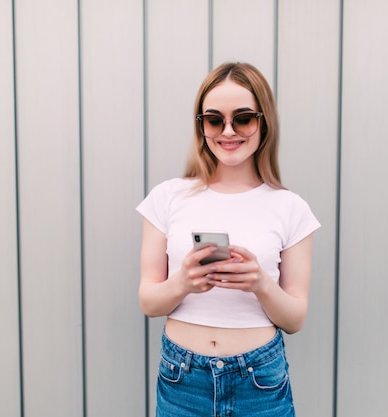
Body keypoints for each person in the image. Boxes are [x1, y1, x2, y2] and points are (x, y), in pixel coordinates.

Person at [136, 62, 320, 417]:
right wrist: (184, 282)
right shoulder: (167, 197)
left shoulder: (290, 208)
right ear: (201, 125)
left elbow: (295, 319)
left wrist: (261, 284)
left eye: (243, 117)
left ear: (263, 122)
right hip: (182, 380)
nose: (228, 131)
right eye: (214, 119)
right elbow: (149, 302)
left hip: (259, 382)